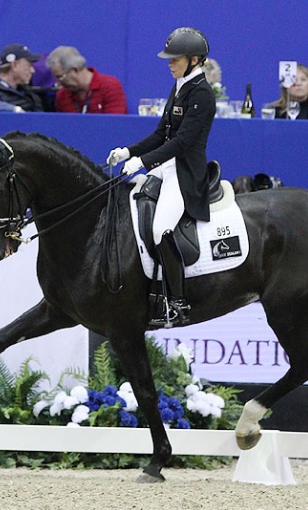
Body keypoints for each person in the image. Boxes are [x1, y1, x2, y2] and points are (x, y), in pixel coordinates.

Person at [106, 27, 215, 327]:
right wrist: (128, 152)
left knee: (160, 229)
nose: (169, 63)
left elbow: (182, 143)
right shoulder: (179, 86)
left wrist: (142, 162)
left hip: (184, 173)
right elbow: (161, 134)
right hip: (165, 167)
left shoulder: (202, 95)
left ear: (194, 60)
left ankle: (178, 303)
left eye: (175, 58)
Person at [46, 46, 128, 114]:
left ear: (75, 70)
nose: (58, 83)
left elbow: (115, 125)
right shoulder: (61, 95)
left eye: (60, 77)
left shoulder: (110, 87)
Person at [0, 43, 45, 113]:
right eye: (29, 66)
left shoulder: (30, 92)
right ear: (14, 65)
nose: (32, 71)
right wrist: (14, 109)